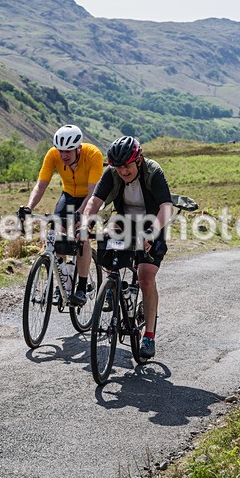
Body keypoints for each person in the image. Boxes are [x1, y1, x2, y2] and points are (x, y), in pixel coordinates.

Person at [80, 136, 173, 359]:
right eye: (118, 167)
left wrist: (152, 232)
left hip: (152, 221)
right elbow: (95, 201)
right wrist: (85, 223)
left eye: (127, 166)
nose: (123, 171)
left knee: (145, 276)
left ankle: (148, 335)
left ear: (138, 160)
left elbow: (166, 207)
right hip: (123, 220)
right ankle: (114, 287)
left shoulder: (153, 171)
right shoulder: (112, 173)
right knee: (107, 249)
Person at [18, 124, 103, 306]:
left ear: (78, 149)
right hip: (68, 195)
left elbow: (93, 193)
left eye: (68, 152)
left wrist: (80, 215)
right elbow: (40, 185)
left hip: (89, 198)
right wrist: (28, 207)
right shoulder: (52, 155)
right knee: (57, 235)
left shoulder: (93, 154)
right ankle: (62, 282)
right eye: (61, 151)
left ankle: (81, 287)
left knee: (82, 234)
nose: (63, 155)